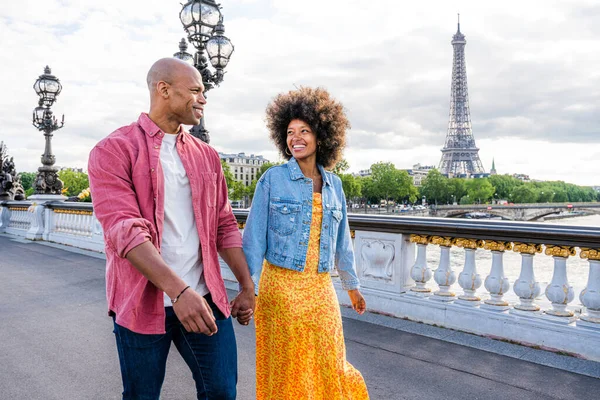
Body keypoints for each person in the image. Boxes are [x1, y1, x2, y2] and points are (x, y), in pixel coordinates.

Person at [88, 58, 255, 400]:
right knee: (142, 395)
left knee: (222, 392)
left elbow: (223, 224)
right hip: (143, 301)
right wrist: (179, 293)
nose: (203, 99)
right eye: (195, 90)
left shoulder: (206, 155)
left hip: (204, 296)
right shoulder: (113, 150)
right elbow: (125, 232)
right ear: (164, 90)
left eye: (204, 92)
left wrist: (246, 284)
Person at [243, 86, 370, 399]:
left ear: (322, 136)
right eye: (289, 132)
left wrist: (352, 286)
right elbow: (253, 240)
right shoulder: (272, 179)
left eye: (304, 131)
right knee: (289, 371)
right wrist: (250, 290)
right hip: (280, 290)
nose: (295, 138)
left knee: (331, 363)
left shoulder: (334, 184)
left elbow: (342, 241)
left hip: (320, 289)